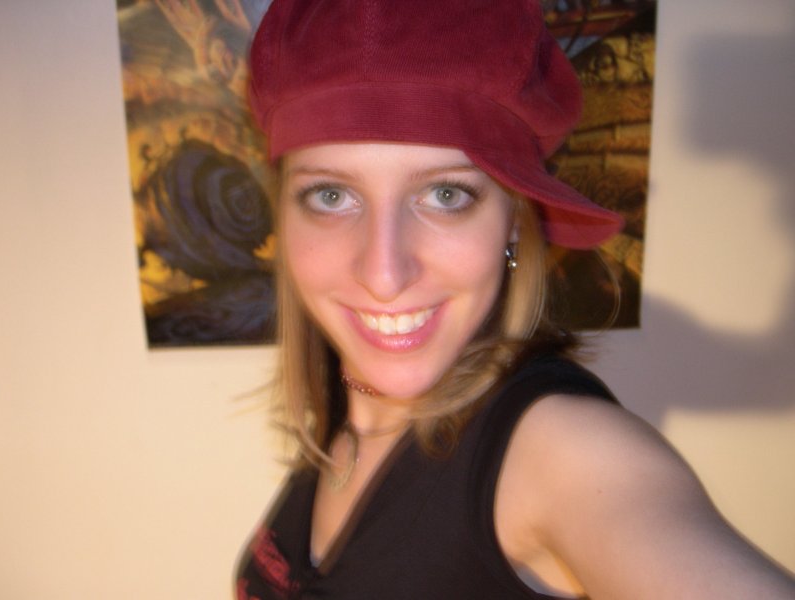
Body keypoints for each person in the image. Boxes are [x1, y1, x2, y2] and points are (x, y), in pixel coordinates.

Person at [235, 1, 795, 598]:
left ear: (512, 219)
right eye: (330, 196)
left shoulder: (564, 453)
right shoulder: (347, 406)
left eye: (446, 194)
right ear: (285, 216)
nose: (384, 274)